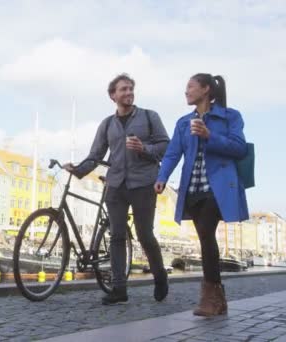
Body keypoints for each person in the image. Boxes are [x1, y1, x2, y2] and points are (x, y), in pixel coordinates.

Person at [64, 73, 170, 305]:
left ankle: (160, 274)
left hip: (143, 183)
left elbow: (165, 146)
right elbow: (96, 155)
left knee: (144, 234)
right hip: (116, 184)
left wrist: (144, 148)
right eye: (123, 89)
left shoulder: (150, 117)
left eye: (131, 89)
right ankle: (119, 289)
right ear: (113, 95)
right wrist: (78, 169)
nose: (129, 93)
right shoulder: (107, 124)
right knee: (117, 236)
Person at [155, 73, 248, 316]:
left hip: (217, 187)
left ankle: (211, 297)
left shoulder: (230, 116)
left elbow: (239, 148)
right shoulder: (183, 123)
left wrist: (209, 136)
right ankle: (218, 299)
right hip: (192, 189)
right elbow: (173, 153)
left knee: (206, 231)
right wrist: (162, 177)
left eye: (190, 86)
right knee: (205, 236)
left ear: (206, 89)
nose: (186, 91)